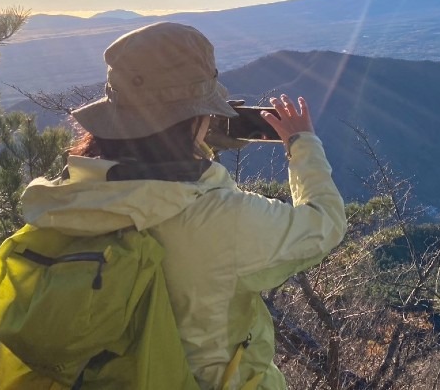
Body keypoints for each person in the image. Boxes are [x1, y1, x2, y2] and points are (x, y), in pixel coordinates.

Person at [19, 22, 347, 389]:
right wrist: (303, 145)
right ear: (195, 117)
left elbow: (150, 179)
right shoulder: (222, 218)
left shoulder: (64, 201)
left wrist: (196, 139)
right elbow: (325, 222)